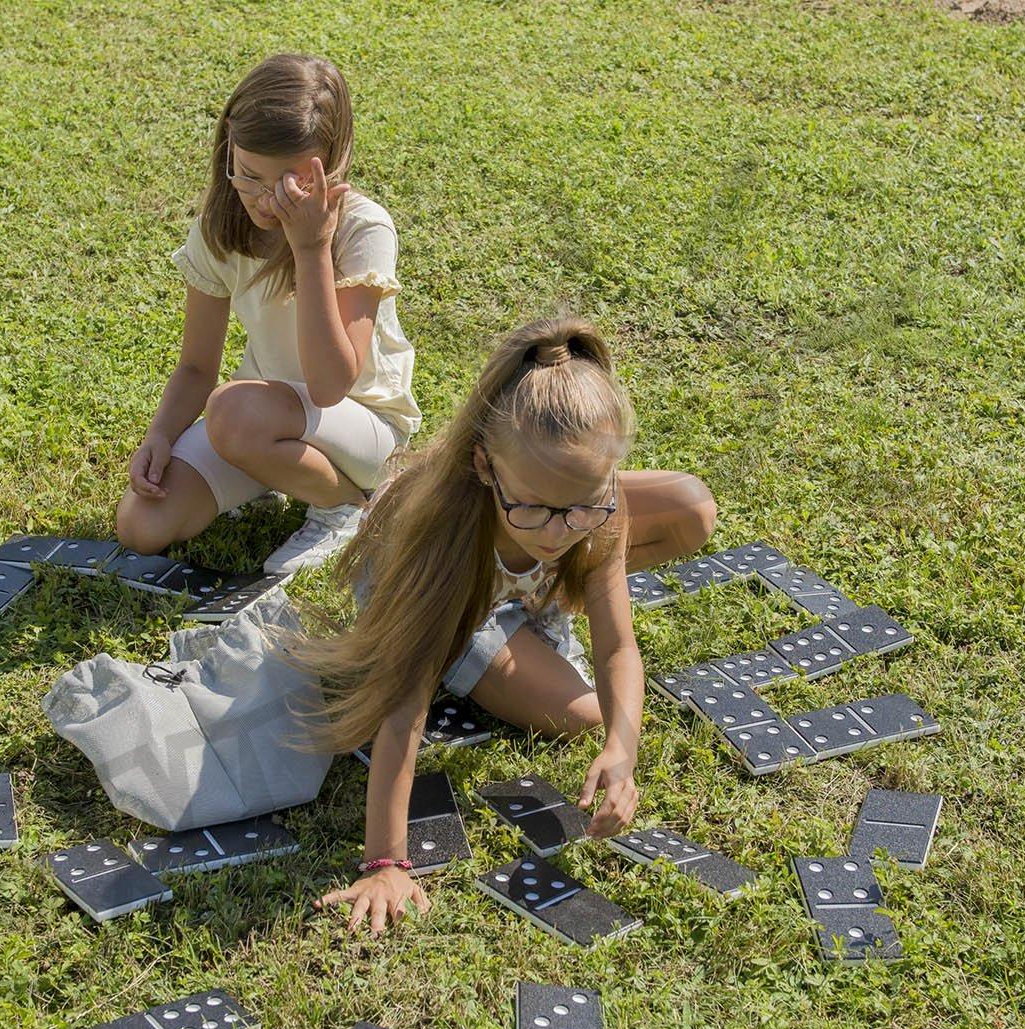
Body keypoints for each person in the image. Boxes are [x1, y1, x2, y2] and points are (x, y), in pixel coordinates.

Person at [294, 315, 716, 933]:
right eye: (537, 507)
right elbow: (404, 702)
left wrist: (622, 751)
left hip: (513, 562)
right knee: (582, 715)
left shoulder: (591, 511)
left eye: (582, 505)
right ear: (485, 466)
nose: (559, 531)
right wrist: (386, 861)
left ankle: (533, 593)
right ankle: (478, 642)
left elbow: (618, 648)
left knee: (689, 506)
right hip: (439, 594)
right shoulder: (442, 541)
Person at [115, 53, 418, 576]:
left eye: (290, 183)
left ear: (332, 163)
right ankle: (272, 471)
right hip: (259, 416)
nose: (266, 199)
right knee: (141, 525)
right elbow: (195, 367)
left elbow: (328, 386)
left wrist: (311, 248)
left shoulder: (362, 229)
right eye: (250, 174)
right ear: (228, 144)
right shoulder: (222, 227)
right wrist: (160, 436)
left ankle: (345, 507)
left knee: (233, 412)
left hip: (362, 425)